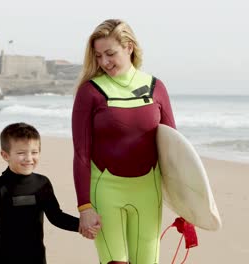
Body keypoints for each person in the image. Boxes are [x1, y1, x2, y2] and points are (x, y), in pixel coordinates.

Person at [72, 19, 176, 264]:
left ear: (129, 47)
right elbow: (81, 154)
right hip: (106, 190)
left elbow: (173, 152)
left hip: (148, 192)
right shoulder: (90, 92)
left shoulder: (155, 87)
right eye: (98, 56)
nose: (104, 62)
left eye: (110, 53)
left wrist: (188, 206)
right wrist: (84, 208)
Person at [0, 122, 99, 264]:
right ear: (5, 155)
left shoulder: (42, 184)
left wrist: (82, 226)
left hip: (37, 257)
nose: (29, 158)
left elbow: (56, 217)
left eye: (34, 152)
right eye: (21, 153)